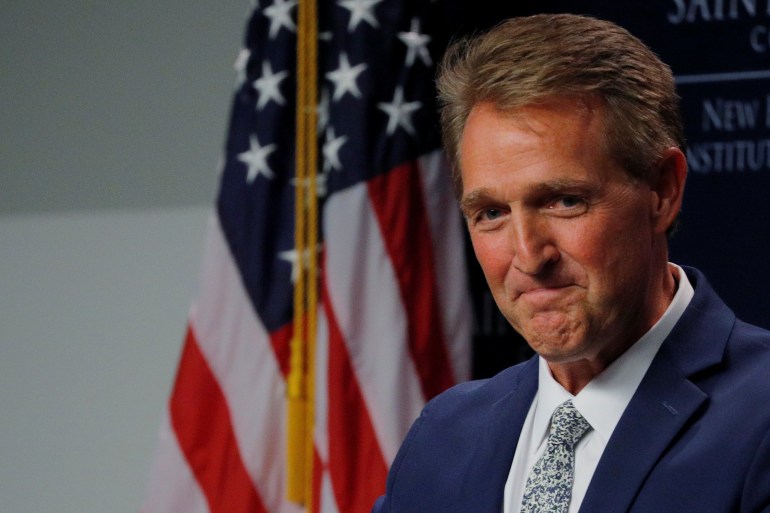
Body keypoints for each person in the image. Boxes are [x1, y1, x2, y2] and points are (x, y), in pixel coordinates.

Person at [371, 13, 770, 513]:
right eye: (491, 213)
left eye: (563, 201)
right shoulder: (442, 438)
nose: (529, 255)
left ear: (663, 190)